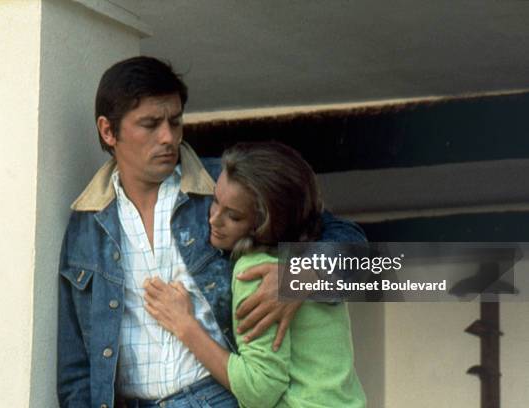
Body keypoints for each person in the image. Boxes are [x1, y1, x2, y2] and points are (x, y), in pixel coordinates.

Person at [57, 56, 367, 408]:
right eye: (150, 124)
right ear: (108, 131)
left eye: (175, 121)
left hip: (223, 396)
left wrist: (302, 272)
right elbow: (75, 368)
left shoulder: (224, 187)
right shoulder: (85, 225)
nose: (168, 137)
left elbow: (350, 242)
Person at [143, 142, 367, 408]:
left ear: (264, 225)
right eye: (215, 200)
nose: (214, 219)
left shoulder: (258, 273)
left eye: (234, 216)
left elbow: (259, 389)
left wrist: (185, 325)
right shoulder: (316, 256)